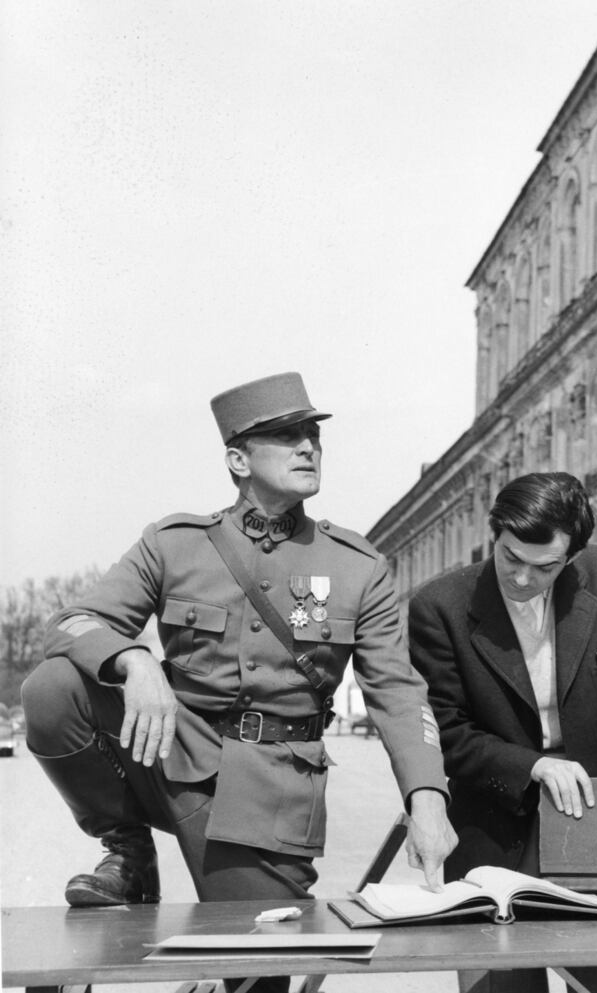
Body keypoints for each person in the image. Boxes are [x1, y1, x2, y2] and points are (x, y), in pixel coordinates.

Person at [22, 372, 455, 993]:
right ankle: (129, 851)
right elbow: (72, 623)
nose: (308, 447)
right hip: (172, 757)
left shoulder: (357, 566)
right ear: (238, 460)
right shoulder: (174, 545)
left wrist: (427, 799)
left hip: (271, 791)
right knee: (53, 688)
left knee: (256, 976)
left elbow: (398, 691)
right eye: (286, 436)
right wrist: (133, 661)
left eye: (312, 435)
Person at [408, 472, 597, 993]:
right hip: (492, 826)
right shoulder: (439, 606)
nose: (522, 578)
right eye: (510, 557)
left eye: (544, 567)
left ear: (571, 557)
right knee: (502, 987)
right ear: (495, 534)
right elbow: (446, 730)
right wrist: (533, 766)